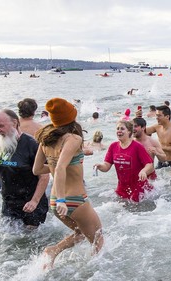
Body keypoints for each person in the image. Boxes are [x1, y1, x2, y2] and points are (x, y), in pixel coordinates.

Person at [33, 97, 103, 267]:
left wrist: (60, 198)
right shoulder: (73, 138)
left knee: (80, 234)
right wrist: (64, 199)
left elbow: (37, 170)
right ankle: (96, 273)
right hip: (73, 199)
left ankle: (54, 250)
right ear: (71, 117)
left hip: (55, 202)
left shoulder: (46, 139)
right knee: (98, 240)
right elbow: (60, 168)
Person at [0, 109, 49, 228]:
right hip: (9, 202)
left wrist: (35, 201)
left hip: (30, 203)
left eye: (1, 126)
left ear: (15, 123)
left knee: (27, 241)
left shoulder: (31, 144)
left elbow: (44, 176)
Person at [94, 120, 154, 202]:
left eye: (122, 129)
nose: (119, 131)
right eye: (117, 128)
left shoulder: (137, 146)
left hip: (139, 190)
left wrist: (144, 171)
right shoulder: (113, 146)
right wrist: (100, 166)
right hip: (122, 189)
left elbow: (150, 165)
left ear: (129, 131)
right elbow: (106, 166)